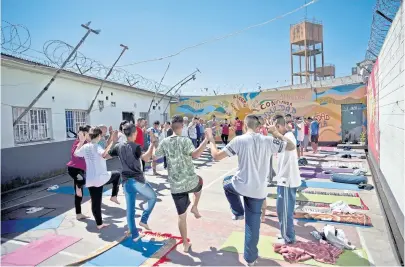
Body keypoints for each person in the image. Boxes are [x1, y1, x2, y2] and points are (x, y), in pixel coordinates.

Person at [206, 114, 296, 266]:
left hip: (241, 185)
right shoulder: (268, 140)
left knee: (226, 184)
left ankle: (238, 212)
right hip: (258, 191)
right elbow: (292, 147)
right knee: (252, 227)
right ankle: (250, 259)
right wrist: (275, 132)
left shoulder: (239, 140)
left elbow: (216, 156)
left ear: (246, 126)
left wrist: (211, 141)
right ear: (258, 126)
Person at [154, 115, 209, 253]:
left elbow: (155, 156)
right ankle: (195, 206)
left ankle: (185, 243)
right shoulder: (185, 141)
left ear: (171, 127)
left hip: (176, 185)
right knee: (200, 182)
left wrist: (153, 144)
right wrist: (207, 140)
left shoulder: (165, 142)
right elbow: (195, 155)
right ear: (182, 127)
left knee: (181, 216)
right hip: (190, 181)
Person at [109, 123, 157, 241]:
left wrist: (113, 141)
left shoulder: (119, 146)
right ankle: (143, 219)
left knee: (130, 210)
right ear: (134, 133)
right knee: (153, 197)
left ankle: (135, 235)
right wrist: (152, 144)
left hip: (125, 181)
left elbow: (106, 155)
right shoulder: (135, 146)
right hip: (137, 180)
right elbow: (146, 158)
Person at [74, 127, 121, 230]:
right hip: (101, 178)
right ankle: (114, 196)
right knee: (117, 174)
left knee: (96, 202)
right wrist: (112, 142)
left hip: (90, 179)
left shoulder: (86, 147)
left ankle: (99, 224)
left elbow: (76, 153)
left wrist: (81, 142)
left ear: (90, 136)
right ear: (99, 136)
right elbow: (105, 155)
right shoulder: (96, 146)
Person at [272, 114, 302, 245]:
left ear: (279, 126)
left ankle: (288, 237)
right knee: (281, 209)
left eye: (275, 128)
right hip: (283, 179)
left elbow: (291, 146)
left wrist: (276, 133)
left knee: (285, 211)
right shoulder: (284, 137)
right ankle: (285, 232)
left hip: (287, 180)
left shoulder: (289, 136)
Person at [67, 125, 91, 220]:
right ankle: (79, 184)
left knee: (79, 194)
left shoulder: (87, 143)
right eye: (89, 133)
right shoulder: (78, 143)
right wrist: (81, 141)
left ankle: (78, 214)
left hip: (80, 170)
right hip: (74, 169)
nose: (91, 135)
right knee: (82, 182)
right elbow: (74, 154)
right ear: (84, 134)